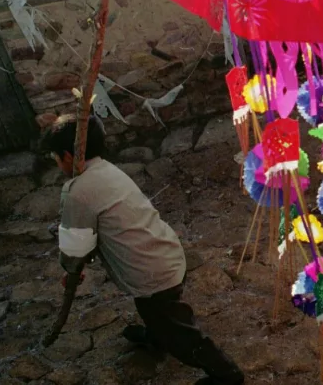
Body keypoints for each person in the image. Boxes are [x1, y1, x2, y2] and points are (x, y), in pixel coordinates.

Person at [43, 116, 244, 385]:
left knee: (178, 332)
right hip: (165, 253)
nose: (57, 163)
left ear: (68, 156)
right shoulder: (105, 169)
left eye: (56, 157)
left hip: (152, 275)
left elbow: (76, 245)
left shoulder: (77, 191)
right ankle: (156, 336)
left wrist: (71, 268)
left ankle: (226, 374)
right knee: (158, 314)